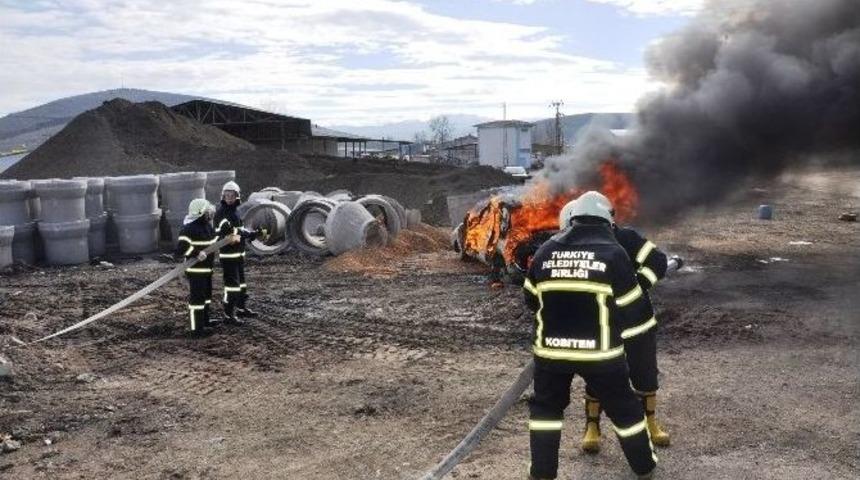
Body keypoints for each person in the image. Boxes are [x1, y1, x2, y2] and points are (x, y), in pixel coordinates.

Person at [524, 191, 658, 480]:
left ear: (573, 218)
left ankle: (542, 473)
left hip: (551, 352)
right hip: (600, 354)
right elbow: (632, 307)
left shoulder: (546, 250)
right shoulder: (613, 253)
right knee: (625, 410)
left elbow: (530, 298)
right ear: (606, 221)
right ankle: (644, 467)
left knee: (546, 413)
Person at [556, 202, 678, 452]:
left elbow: (657, 262)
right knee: (598, 377)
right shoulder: (574, 245)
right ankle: (592, 427)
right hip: (600, 328)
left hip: (637, 325)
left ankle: (650, 424)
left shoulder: (626, 238)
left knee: (645, 375)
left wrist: (637, 286)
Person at [213, 181, 263, 323]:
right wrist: (241, 233)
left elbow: (238, 231)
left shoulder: (235, 211)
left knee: (241, 284)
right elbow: (220, 232)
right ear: (223, 196)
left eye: (232, 195)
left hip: (238, 254)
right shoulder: (221, 212)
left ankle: (241, 308)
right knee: (232, 286)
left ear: (237, 196)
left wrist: (251, 234)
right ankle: (228, 314)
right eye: (226, 195)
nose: (229, 198)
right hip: (228, 256)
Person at [176, 198, 219, 336]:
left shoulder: (208, 227)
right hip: (196, 271)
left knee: (206, 297)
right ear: (201, 213)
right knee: (197, 300)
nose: (210, 213)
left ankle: (205, 321)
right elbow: (180, 250)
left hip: (207, 270)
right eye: (208, 211)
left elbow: (214, 240)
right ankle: (196, 329)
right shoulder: (188, 229)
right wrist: (195, 253)